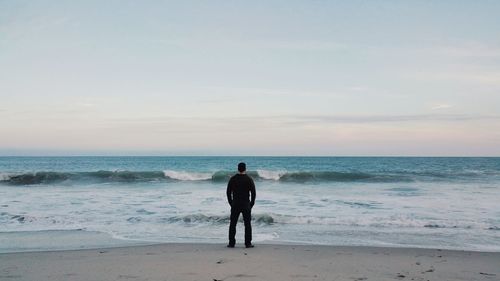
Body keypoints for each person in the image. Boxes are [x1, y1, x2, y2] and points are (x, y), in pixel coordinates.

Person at [226, 162, 256, 248]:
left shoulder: (233, 179)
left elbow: (228, 192)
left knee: (233, 224)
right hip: (246, 204)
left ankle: (231, 243)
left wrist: (230, 202)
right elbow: (253, 192)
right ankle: (248, 243)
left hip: (235, 204)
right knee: (247, 224)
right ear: (245, 169)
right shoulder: (249, 179)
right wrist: (251, 204)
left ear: (238, 168)